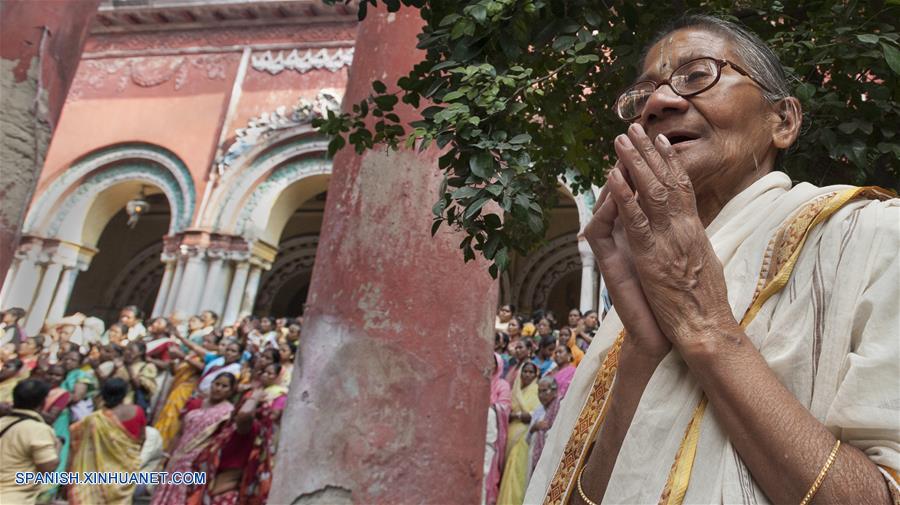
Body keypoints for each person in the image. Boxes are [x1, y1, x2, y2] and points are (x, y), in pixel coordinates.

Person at [526, 14, 899, 505]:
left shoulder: (873, 237)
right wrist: (644, 347)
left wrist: (704, 326)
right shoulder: (641, 296)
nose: (658, 104)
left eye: (698, 75)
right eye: (643, 97)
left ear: (783, 121)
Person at [151, 373, 237, 505]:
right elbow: (180, 432)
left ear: (231, 391)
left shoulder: (227, 413)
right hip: (178, 457)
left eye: (224, 386)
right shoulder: (195, 403)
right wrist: (168, 455)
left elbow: (221, 442)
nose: (218, 388)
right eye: (217, 384)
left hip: (197, 463)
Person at [68, 378, 145, 505]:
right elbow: (142, 438)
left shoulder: (94, 419)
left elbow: (76, 435)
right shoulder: (137, 411)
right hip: (127, 467)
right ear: (125, 393)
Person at [0, 379, 58, 505]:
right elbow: (48, 469)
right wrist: (58, 446)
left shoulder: (2, 421)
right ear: (42, 403)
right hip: (13, 498)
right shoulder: (38, 430)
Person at [497, 361, 540, 505]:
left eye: (531, 372)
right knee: (507, 473)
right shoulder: (515, 390)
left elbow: (533, 416)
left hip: (524, 438)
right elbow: (506, 414)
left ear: (535, 375)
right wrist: (519, 416)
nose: (527, 374)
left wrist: (517, 416)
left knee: (517, 473)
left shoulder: (537, 390)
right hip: (511, 435)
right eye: (525, 371)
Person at [484, 353, 511, 505]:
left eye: (493, 362)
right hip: (477, 435)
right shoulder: (480, 381)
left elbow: (504, 408)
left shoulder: (502, 385)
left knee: (490, 475)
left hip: (493, 436)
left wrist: (488, 408)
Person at [529, 377, 559, 475]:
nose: (541, 395)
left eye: (545, 391)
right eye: (539, 391)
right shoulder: (538, 410)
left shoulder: (560, 407)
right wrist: (535, 427)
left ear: (554, 391)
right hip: (534, 456)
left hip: (551, 460)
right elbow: (527, 439)